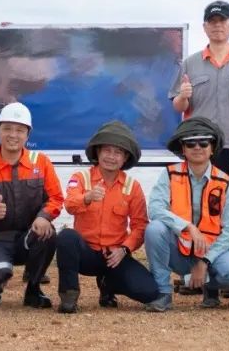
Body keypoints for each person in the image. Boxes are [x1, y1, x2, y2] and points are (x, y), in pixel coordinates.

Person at [144, 117, 229, 312]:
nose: (197, 147)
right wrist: (188, 227)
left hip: (213, 251)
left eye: (204, 142)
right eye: (190, 143)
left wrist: (205, 261)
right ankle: (163, 293)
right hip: (179, 249)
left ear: (212, 148)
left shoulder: (226, 182)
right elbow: (155, 209)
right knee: (154, 229)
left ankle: (207, 284)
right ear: (183, 149)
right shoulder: (169, 174)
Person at [0, 102, 63, 308]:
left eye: (20, 130)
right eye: (7, 128)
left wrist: (44, 216)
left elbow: (56, 198)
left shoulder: (41, 162)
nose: (13, 135)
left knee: (48, 233)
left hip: (27, 236)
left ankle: (33, 290)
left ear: (28, 135)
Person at [56, 121, 158, 313]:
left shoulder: (133, 186)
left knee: (150, 292)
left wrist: (124, 249)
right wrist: (87, 197)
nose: (111, 156)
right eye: (107, 150)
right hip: (86, 253)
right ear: (98, 152)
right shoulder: (81, 177)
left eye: (118, 152)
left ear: (125, 158)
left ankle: (107, 284)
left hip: (114, 256)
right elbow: (69, 205)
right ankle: (69, 295)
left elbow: (140, 226)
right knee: (66, 237)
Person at [169, 0, 229, 186]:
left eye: (223, 20)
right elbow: (179, 106)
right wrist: (182, 96)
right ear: (204, 27)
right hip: (199, 146)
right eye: (212, 21)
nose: (217, 25)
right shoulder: (190, 63)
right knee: (198, 199)